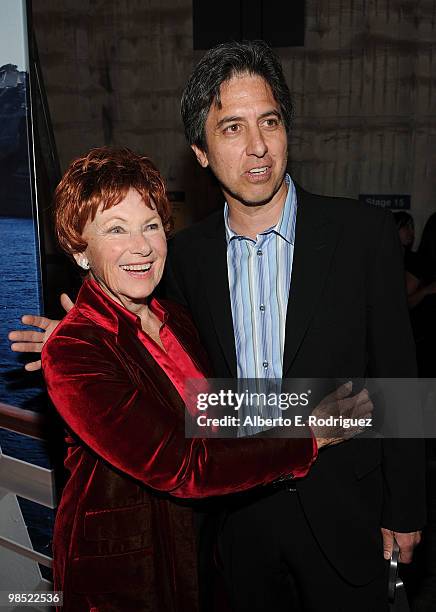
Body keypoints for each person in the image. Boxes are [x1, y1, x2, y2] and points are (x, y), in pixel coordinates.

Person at [9, 41, 425, 611]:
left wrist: (403, 511)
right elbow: (145, 356)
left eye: (270, 122)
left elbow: (399, 380)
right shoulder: (185, 258)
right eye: (231, 128)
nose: (257, 147)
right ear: (200, 151)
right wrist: (78, 336)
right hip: (231, 526)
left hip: (344, 514)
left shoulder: (364, 236)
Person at [21, 146, 370, 612]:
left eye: (150, 225)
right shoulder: (74, 349)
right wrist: (309, 435)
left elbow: (218, 410)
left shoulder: (175, 320)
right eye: (115, 230)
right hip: (126, 576)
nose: (141, 246)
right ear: (80, 250)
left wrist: (319, 404)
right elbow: (182, 466)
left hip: (200, 552)